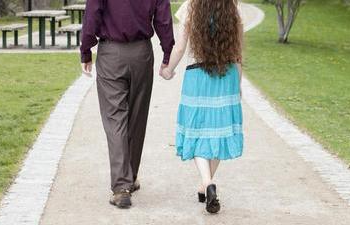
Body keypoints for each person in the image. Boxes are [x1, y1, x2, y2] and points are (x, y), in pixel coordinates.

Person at [80, 0, 175, 209]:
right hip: (142, 53)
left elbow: (92, 14)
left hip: (111, 54)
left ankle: (122, 186)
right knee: (137, 118)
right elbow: (163, 18)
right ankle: (128, 178)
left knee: (115, 119)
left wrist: (85, 50)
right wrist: (167, 51)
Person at [160, 0, 244, 214]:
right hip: (227, 76)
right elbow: (238, 54)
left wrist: (168, 70)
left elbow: (180, 47)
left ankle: (207, 184)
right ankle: (205, 186)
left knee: (196, 132)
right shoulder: (232, 7)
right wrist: (238, 85)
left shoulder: (191, 6)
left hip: (198, 78)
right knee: (219, 133)